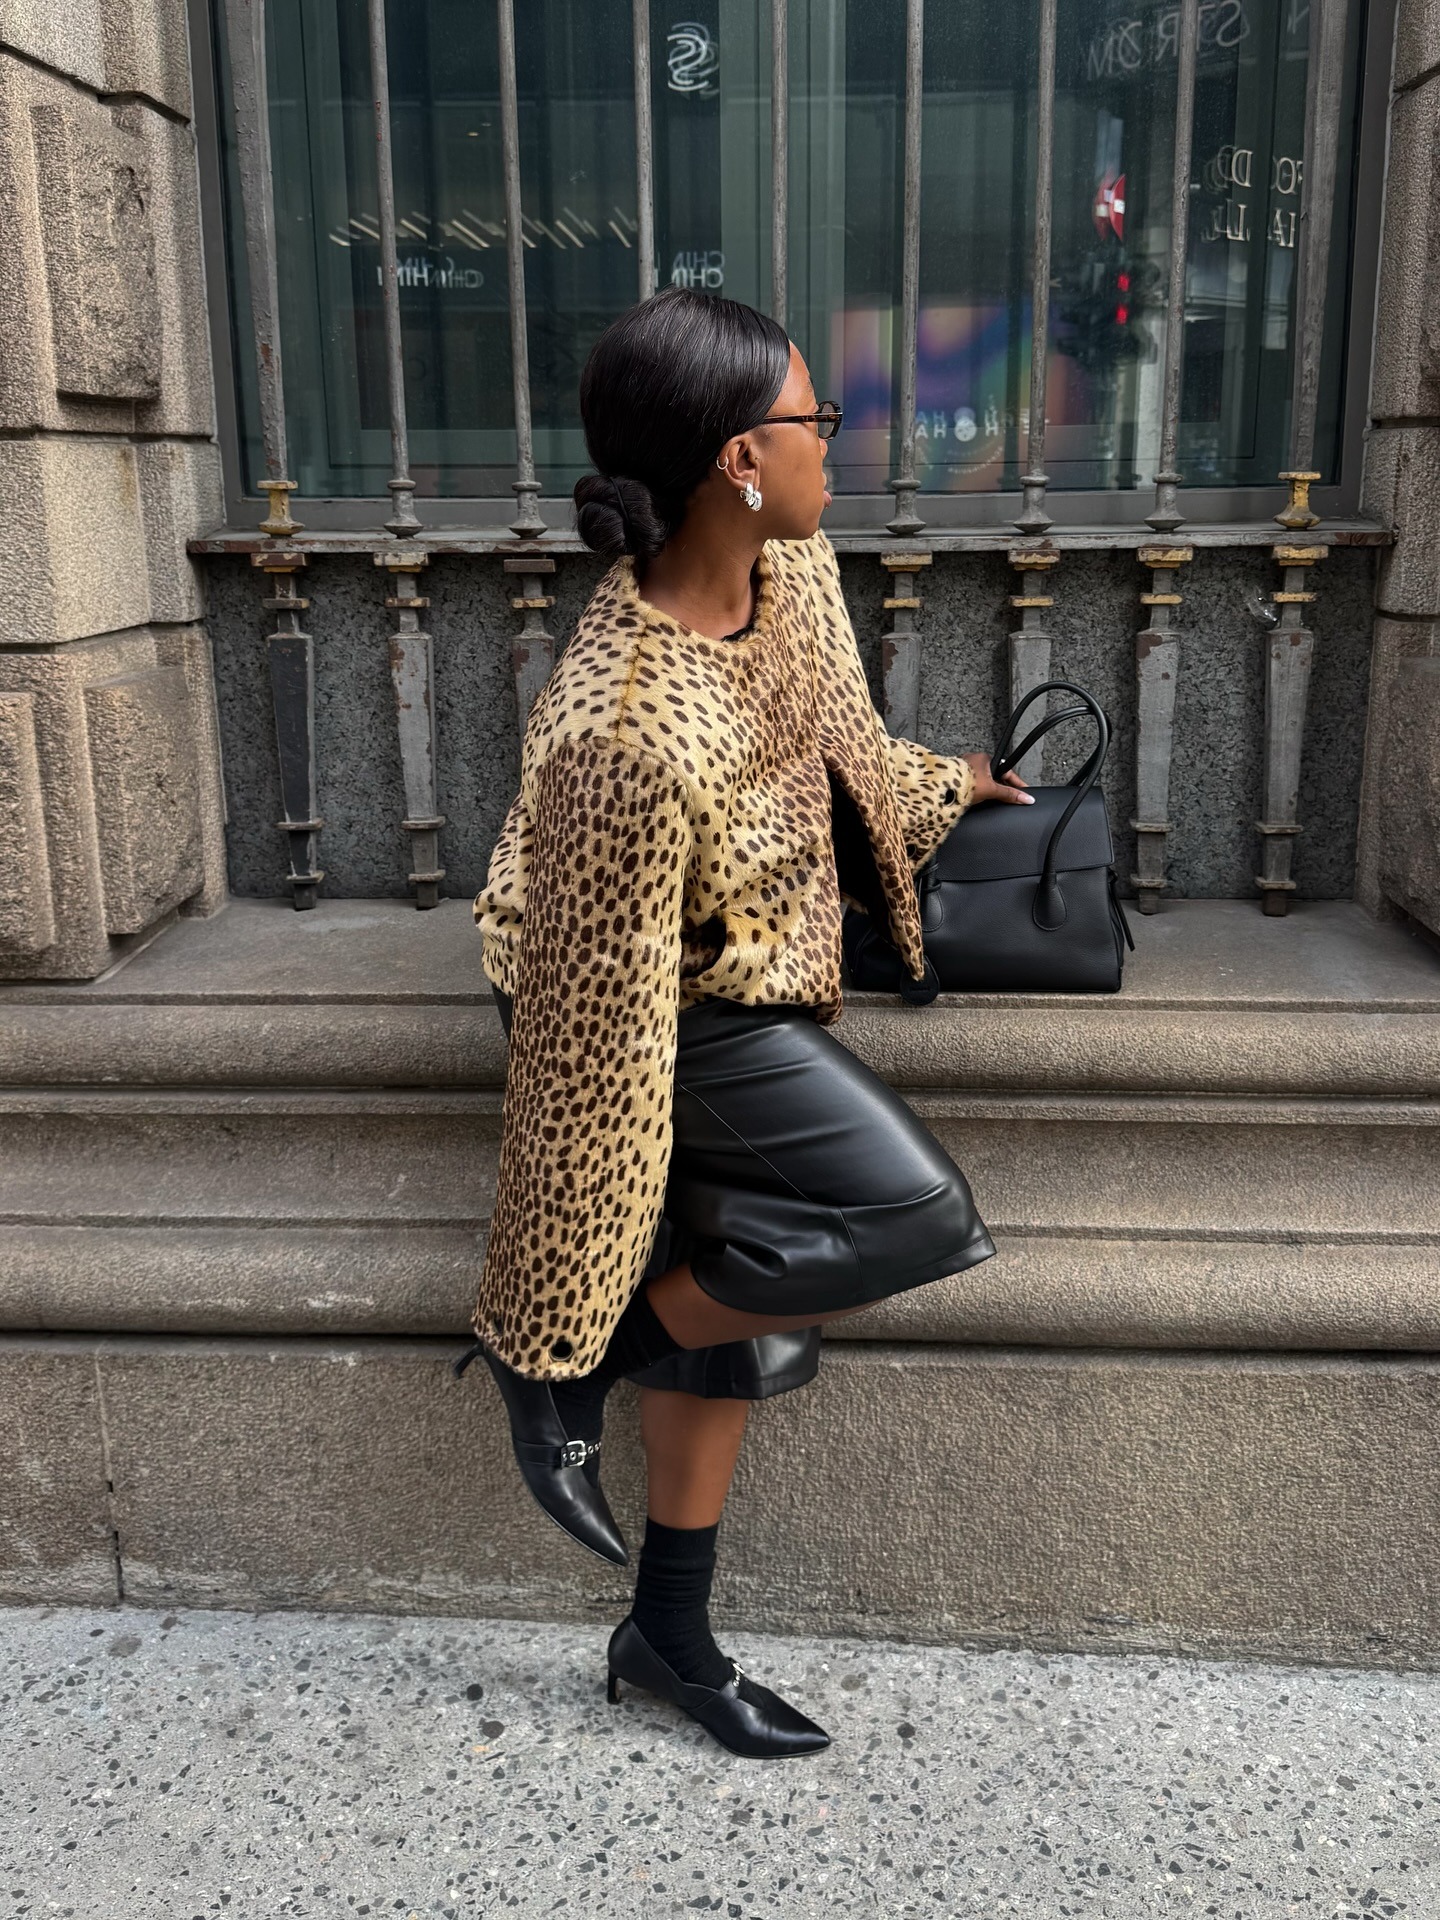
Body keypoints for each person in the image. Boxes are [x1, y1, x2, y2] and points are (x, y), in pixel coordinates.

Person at [451, 286, 1033, 1759]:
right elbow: (583, 1055)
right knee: (914, 1214)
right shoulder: (618, 729)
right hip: (653, 1007)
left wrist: (947, 780)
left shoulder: (795, 572)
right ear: (736, 461)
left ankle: (669, 1636)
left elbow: (831, 749)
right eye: (811, 417)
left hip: (740, 967)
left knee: (735, 1326)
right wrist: (560, 1306)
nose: (836, 440)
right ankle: (574, 1370)